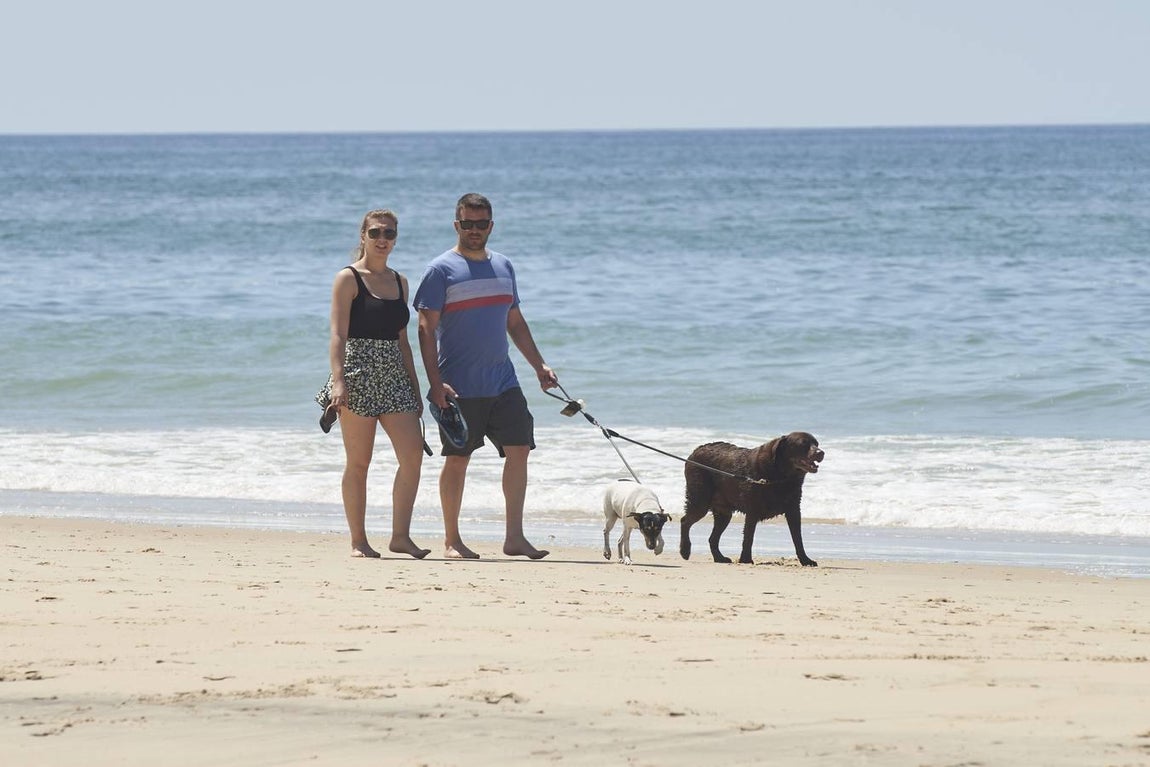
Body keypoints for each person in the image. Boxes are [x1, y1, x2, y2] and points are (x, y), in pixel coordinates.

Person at [414, 193, 559, 560]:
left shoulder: (505, 266)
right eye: (467, 224)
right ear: (456, 225)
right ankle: (451, 539)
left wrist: (539, 366)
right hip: (458, 385)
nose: (474, 231)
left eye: (481, 224)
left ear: (491, 226)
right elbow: (425, 330)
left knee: (520, 449)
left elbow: (514, 321)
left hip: (503, 381)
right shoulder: (440, 270)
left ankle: (514, 538)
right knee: (458, 458)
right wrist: (434, 383)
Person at [317, 209, 429, 559]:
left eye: (390, 233)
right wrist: (338, 382)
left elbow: (403, 340)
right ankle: (358, 541)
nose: (383, 239)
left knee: (412, 455)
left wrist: (414, 386)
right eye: (377, 232)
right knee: (359, 462)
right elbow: (337, 334)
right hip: (358, 374)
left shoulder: (400, 282)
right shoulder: (348, 278)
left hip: (394, 374)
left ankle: (400, 536)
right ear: (363, 235)